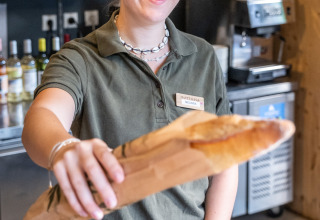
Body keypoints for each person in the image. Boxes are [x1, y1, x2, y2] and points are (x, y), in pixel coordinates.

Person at [22, 0, 238, 219]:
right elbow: (44, 114)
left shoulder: (202, 55)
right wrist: (63, 148)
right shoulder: (79, 59)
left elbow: (225, 156)